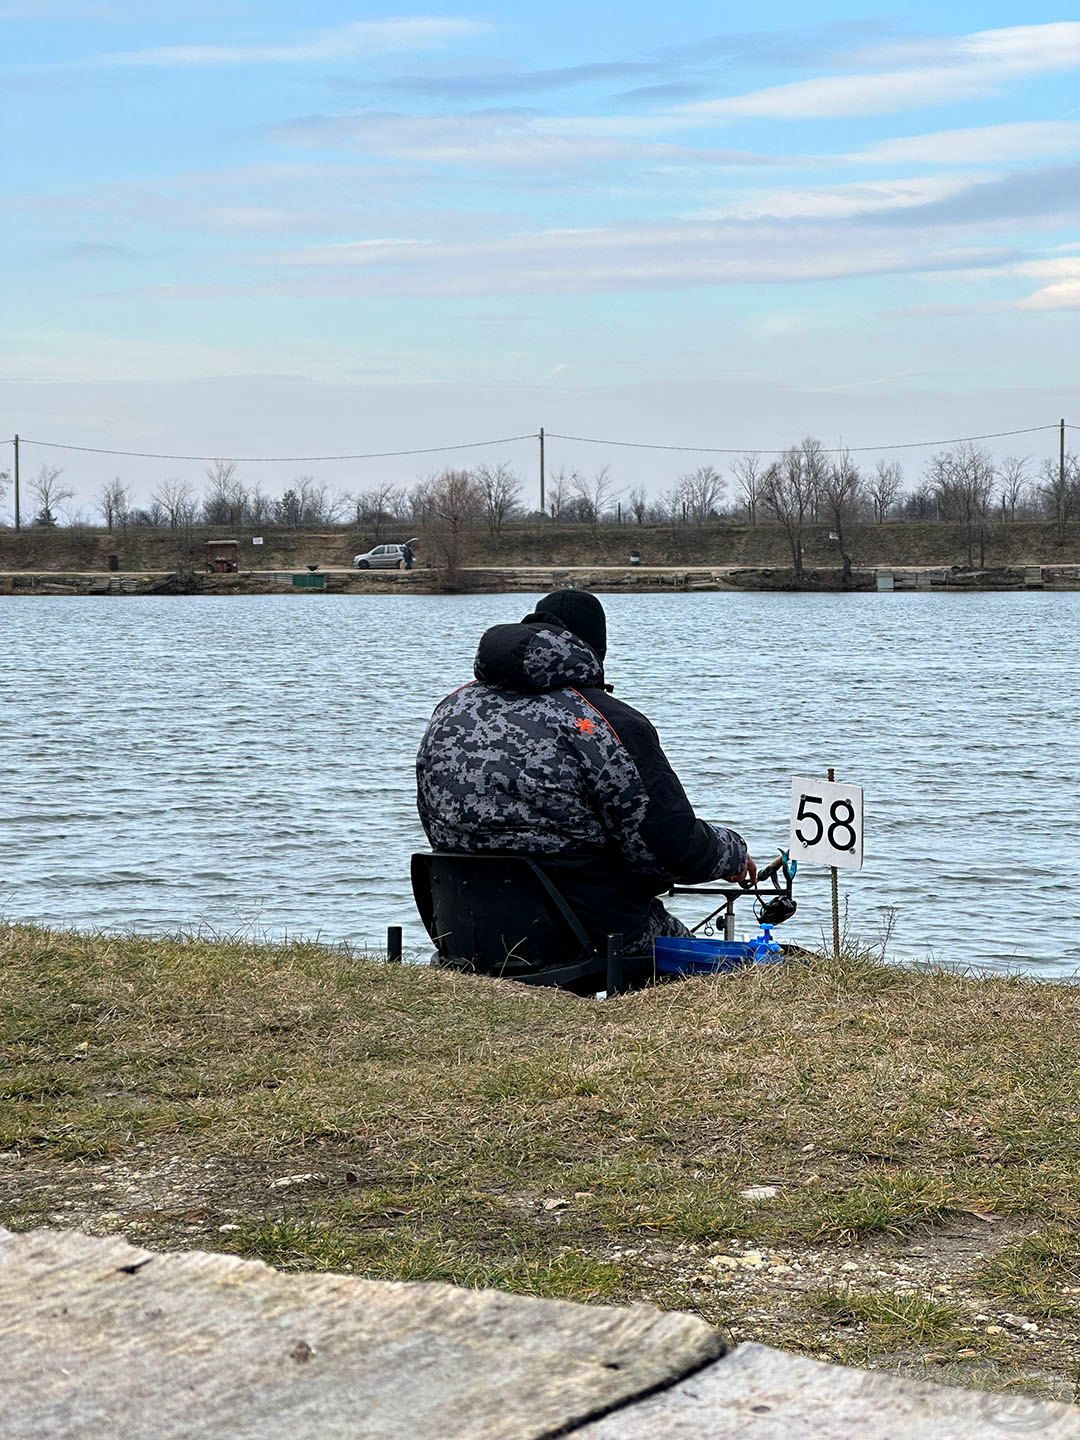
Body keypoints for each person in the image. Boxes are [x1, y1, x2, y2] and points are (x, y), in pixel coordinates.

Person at [415, 590, 756, 956]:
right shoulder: (606, 721)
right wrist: (732, 852)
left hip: (464, 928)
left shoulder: (452, 707)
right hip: (582, 933)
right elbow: (668, 848)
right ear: (595, 648)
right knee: (703, 961)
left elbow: (432, 817)